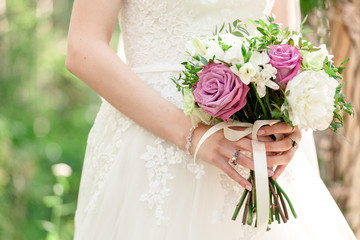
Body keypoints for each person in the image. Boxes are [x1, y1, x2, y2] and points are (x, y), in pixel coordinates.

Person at [66, 0, 357, 239]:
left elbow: (285, 43)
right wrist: (193, 135)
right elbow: (83, 48)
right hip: (150, 148)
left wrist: (287, 120)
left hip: (253, 148)